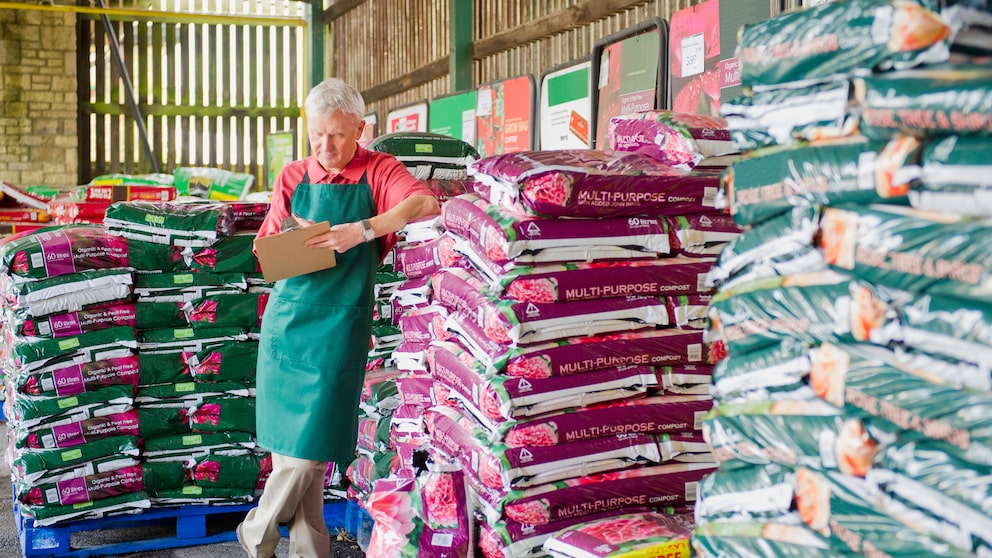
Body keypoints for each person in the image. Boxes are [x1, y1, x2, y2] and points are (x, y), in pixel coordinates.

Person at [238, 77, 440, 558]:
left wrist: (362, 230)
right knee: (294, 455)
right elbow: (265, 259)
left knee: (308, 453)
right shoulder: (291, 177)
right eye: (316, 136)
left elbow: (426, 203)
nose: (325, 147)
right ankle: (312, 551)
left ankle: (256, 530)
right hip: (287, 329)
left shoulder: (379, 170)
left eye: (337, 135)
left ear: (360, 129)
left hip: (339, 330)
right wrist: (296, 242)